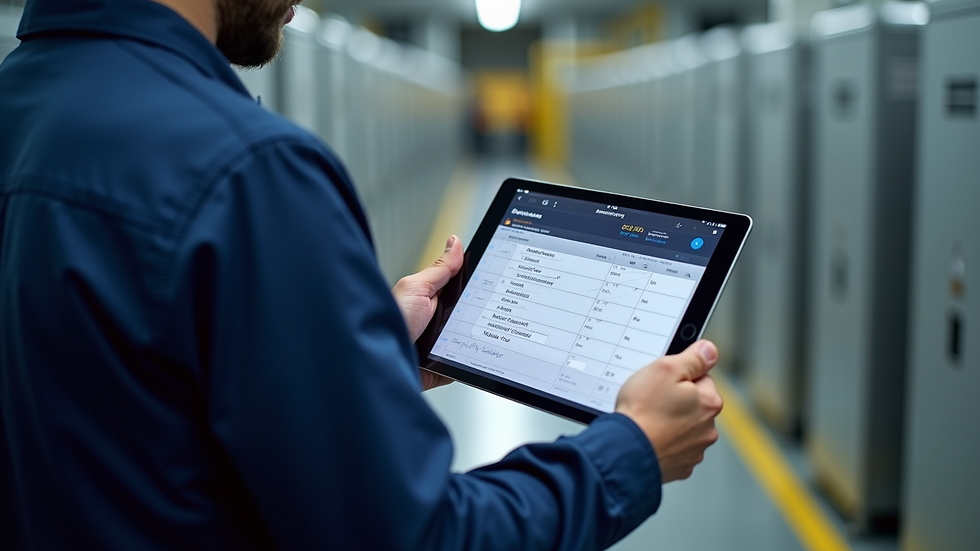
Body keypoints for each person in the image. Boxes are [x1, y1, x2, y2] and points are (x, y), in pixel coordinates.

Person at [0, 0, 724, 549]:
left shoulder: (24, 105)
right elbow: (416, 535)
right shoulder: (247, 168)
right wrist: (632, 449)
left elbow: (118, 398)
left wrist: (357, 355)